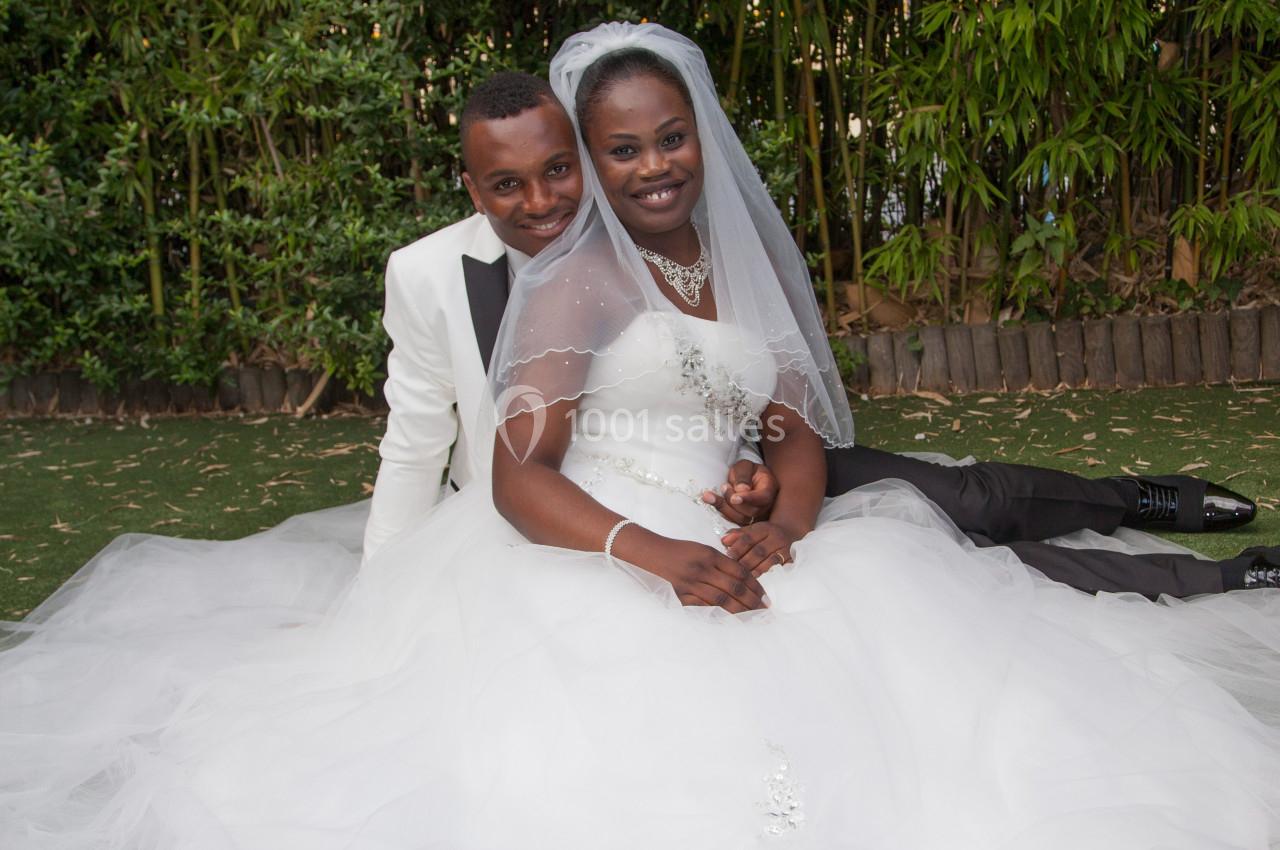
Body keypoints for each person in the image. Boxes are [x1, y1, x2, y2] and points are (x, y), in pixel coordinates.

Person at [4, 22, 1279, 849]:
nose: (644, 167)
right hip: (598, 545)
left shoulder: (722, 264)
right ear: (579, 158)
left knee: (954, 561)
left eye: (669, 139)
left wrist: (780, 515)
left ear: (698, 141)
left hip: (744, 518)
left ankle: (1158, 520)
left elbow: (784, 421)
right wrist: (651, 555)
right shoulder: (571, 281)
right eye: (617, 151)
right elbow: (511, 476)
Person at [366, 69, 1271, 598]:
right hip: (601, 515)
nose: (542, 200)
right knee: (940, 577)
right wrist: (383, 595)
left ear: (580, 158)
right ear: (472, 188)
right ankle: (1206, 582)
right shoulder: (431, 273)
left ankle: (1132, 498)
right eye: (509, 185)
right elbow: (422, 449)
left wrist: (775, 498)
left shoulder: (696, 243)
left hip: (751, 468)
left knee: (967, 501)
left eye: (559, 170)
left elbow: (777, 415)